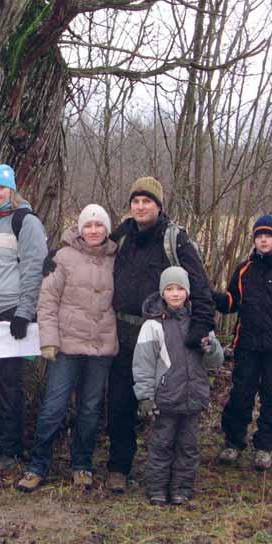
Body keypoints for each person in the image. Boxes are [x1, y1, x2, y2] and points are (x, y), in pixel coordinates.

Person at [105, 176, 215, 493]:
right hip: (124, 332)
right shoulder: (123, 235)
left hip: (165, 334)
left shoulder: (174, 239)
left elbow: (202, 288)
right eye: (135, 201)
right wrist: (55, 259)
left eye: (147, 201)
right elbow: (90, 250)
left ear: (158, 205)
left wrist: (199, 329)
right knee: (121, 401)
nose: (140, 207)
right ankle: (119, 466)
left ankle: (172, 472)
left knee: (170, 404)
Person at [16, 204, 118, 492]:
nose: (94, 230)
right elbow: (47, 302)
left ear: (107, 230)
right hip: (66, 346)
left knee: (90, 408)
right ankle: (37, 466)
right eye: (88, 225)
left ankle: (82, 464)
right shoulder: (62, 257)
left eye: (99, 225)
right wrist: (48, 340)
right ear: (80, 228)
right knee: (53, 407)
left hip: (102, 346)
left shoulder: (116, 258)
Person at [213, 215, 272, 471]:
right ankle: (233, 441)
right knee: (240, 394)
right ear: (254, 240)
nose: (263, 240)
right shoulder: (244, 269)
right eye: (259, 235)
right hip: (246, 346)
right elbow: (232, 302)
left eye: (268, 235)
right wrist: (212, 297)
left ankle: (264, 447)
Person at [0, 164, 48, 469]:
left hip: (12, 315)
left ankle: (11, 448)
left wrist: (25, 313)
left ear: (12, 190)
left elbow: (33, 269)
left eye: (1, 187)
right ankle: (0, 439)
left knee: (11, 383)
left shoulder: (24, 221)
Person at [132, 267, 224, 506]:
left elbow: (216, 361)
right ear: (162, 293)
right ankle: (157, 489)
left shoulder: (199, 322)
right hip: (165, 398)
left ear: (188, 292)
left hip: (193, 396)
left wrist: (210, 348)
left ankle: (182, 488)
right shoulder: (152, 326)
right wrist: (144, 396)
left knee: (189, 446)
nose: (175, 294)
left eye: (180, 288)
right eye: (170, 289)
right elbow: (142, 364)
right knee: (161, 444)